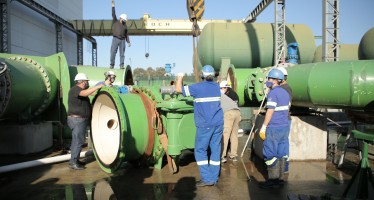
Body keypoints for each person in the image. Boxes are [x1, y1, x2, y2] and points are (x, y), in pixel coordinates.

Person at [175, 65, 223, 187]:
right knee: (215, 149)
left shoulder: (197, 88)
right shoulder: (217, 87)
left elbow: (178, 89)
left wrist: (180, 77)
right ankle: (214, 177)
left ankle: (207, 179)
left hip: (205, 124)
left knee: (200, 150)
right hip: (218, 123)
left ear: (202, 75)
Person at [258, 68, 290, 188]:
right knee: (282, 153)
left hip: (274, 127)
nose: (267, 80)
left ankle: (273, 180)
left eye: (269, 78)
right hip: (284, 127)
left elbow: (270, 111)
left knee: (270, 154)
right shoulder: (285, 93)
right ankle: (280, 179)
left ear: (275, 80)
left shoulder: (273, 93)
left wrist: (264, 126)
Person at [67, 73, 104, 170]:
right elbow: (86, 93)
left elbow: (90, 93)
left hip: (79, 120)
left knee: (78, 140)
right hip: (77, 120)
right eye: (87, 81)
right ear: (83, 82)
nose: (87, 83)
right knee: (78, 141)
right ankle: (73, 162)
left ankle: (75, 160)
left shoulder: (80, 90)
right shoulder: (75, 89)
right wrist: (98, 86)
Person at [220, 81, 241, 163]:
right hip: (237, 112)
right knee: (234, 135)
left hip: (229, 113)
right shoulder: (234, 94)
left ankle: (222, 155)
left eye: (222, 88)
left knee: (225, 134)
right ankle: (233, 155)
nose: (221, 89)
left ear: (226, 88)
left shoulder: (221, 95)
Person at [278, 66, 292, 174]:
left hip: (282, 119)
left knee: (282, 142)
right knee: (283, 142)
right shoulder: (287, 88)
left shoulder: (284, 89)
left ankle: (284, 166)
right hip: (285, 118)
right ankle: (284, 166)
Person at [110, 0, 131, 69]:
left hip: (122, 40)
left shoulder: (125, 25)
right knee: (113, 52)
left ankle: (121, 65)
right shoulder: (115, 21)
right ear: (121, 18)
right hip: (115, 39)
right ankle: (112, 64)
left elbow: (126, 34)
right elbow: (113, 14)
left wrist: (128, 42)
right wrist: (113, 6)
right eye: (124, 20)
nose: (125, 21)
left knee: (122, 54)